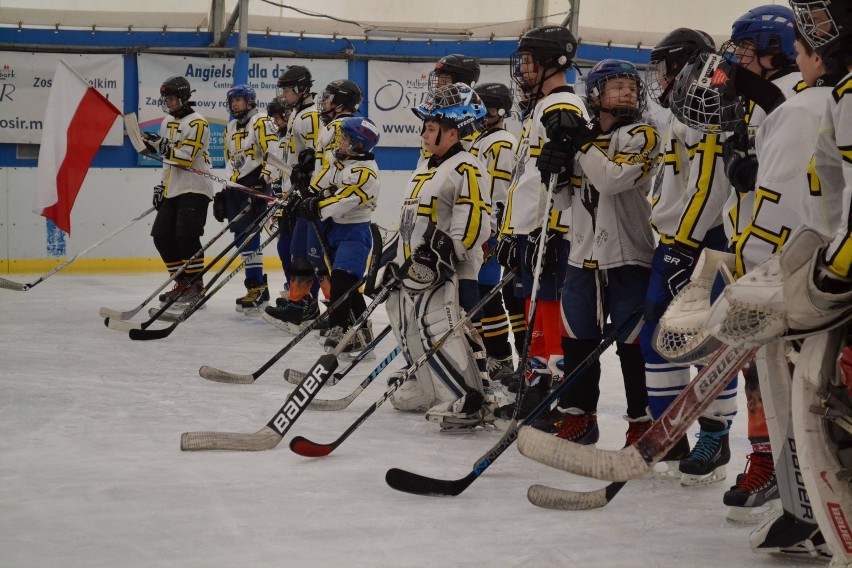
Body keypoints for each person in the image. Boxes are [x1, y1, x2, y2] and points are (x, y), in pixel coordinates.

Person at [533, 60, 660, 448]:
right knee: (577, 340)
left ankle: (642, 422)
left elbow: (611, 179)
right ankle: (579, 416)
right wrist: (550, 171)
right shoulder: (583, 142)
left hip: (627, 257)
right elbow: (564, 199)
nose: (626, 93)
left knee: (632, 345)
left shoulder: (644, 135)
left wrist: (580, 143)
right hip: (582, 257)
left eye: (631, 87)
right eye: (616, 87)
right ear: (595, 96)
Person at [641, 28, 742, 487]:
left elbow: (709, 187)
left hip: (707, 243)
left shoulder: (707, 101)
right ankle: (670, 432)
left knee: (707, 342)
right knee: (656, 340)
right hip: (678, 241)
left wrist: (684, 245)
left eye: (665, 65)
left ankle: (714, 437)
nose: (659, 76)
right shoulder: (680, 110)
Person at [494, 25, 591, 420]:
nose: (524, 69)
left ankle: (552, 397)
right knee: (535, 311)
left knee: (549, 315)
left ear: (556, 62)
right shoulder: (539, 106)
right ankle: (536, 391)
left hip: (552, 232)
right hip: (533, 230)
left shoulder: (558, 105)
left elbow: (566, 147)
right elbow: (528, 180)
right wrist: (511, 232)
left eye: (531, 62)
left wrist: (550, 230)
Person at [386, 82, 493, 431]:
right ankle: (425, 383)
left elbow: (476, 218)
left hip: (449, 272)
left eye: (431, 128)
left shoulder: (466, 166)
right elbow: (409, 222)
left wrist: (451, 250)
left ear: (453, 131)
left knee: (444, 331)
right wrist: (392, 257)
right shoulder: (425, 167)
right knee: (405, 324)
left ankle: (471, 394)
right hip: (415, 269)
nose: (424, 133)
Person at [291, 116, 381, 353]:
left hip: (354, 231)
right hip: (333, 229)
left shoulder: (366, 173)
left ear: (358, 145)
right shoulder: (338, 159)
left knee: (342, 280)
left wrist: (315, 207)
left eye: (345, 139)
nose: (339, 141)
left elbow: (343, 201)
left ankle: (339, 327)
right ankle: (362, 330)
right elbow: (322, 181)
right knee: (347, 285)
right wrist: (306, 193)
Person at [147, 76, 213, 307]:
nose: (170, 102)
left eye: (173, 98)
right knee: (161, 236)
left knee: (186, 236)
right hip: (173, 189)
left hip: (194, 188)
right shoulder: (166, 122)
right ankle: (182, 283)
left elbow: (186, 159)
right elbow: (167, 161)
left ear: (184, 98)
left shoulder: (198, 123)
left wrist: (161, 147)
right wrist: (161, 186)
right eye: (167, 99)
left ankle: (196, 286)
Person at [216, 84, 282, 315]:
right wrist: (226, 188)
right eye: (232, 101)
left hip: (256, 185)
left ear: (250, 102)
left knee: (251, 236)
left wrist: (264, 182)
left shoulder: (262, 122)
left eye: (240, 100)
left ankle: (258, 287)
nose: (235, 104)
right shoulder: (231, 127)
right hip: (237, 188)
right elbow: (229, 160)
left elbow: (274, 152)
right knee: (241, 236)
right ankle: (257, 287)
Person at [470, 82, 520, 380]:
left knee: (486, 294)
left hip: (488, 232)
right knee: (478, 294)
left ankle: (500, 355)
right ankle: (484, 353)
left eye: (486, 106)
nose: (480, 111)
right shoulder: (482, 138)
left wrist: (491, 231)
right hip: (479, 229)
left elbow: (498, 193)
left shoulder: (501, 142)